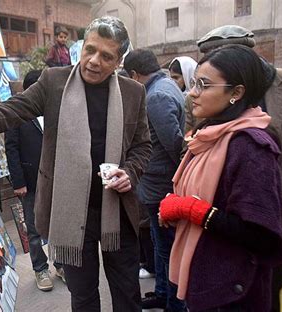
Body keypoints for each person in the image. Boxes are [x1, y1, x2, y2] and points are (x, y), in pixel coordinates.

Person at [0, 16, 152, 311]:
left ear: (119, 61)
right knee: (83, 296)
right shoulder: (54, 82)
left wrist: (131, 172)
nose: (94, 61)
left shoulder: (133, 93)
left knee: (127, 293)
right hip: (71, 213)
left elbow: (142, 146)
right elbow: (11, 111)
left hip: (118, 212)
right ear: (82, 47)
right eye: (90, 49)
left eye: (106, 56)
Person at [158, 44, 282, 311]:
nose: (192, 94)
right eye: (193, 84)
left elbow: (260, 234)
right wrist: (178, 206)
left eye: (203, 85)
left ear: (236, 92)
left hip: (233, 293)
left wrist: (193, 210)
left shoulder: (250, 147)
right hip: (207, 279)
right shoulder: (210, 135)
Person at [196, 25, 282, 312]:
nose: (194, 92)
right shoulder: (208, 108)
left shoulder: (252, 141)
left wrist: (198, 212)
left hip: (274, 212)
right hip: (221, 230)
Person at [124, 49, 186, 312]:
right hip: (158, 185)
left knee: (166, 250)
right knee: (161, 247)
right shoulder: (166, 85)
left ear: (135, 75)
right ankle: (162, 294)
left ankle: (174, 304)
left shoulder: (156, 96)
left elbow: (174, 142)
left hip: (160, 185)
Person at [4, 70, 65, 291]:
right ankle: (40, 269)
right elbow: (11, 148)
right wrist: (18, 182)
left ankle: (60, 264)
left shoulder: (54, 110)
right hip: (30, 181)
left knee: (57, 224)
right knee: (34, 227)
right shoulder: (17, 113)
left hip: (56, 179)